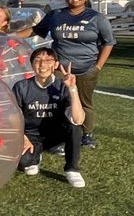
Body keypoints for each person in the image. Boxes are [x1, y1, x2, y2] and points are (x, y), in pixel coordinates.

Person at [17, 0, 114, 149]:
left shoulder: (96, 18)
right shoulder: (56, 15)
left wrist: (97, 67)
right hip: (59, 69)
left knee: (84, 102)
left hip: (86, 69)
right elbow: (37, 30)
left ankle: (87, 134)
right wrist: (11, 37)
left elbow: (109, 42)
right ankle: (60, 135)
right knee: (58, 103)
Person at [12, 46, 86, 187]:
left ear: (56, 64)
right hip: (31, 136)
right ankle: (35, 157)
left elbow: (78, 119)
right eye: (38, 60)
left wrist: (72, 89)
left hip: (55, 135)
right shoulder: (21, 87)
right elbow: (14, 117)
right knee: (25, 164)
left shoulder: (62, 86)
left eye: (48, 60)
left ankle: (72, 169)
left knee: (75, 128)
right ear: (32, 64)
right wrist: (23, 137)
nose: (42, 64)